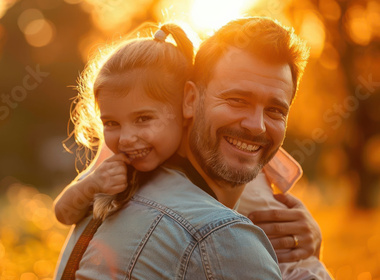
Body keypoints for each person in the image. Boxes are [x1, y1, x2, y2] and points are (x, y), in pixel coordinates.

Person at [55, 18, 331, 279]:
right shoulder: (220, 235)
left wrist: (307, 252)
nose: (256, 125)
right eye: (237, 100)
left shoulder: (129, 194)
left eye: (275, 110)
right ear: (190, 99)